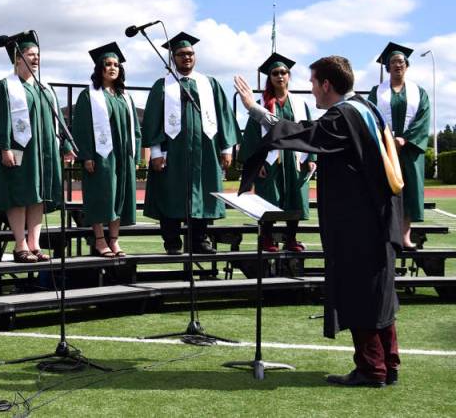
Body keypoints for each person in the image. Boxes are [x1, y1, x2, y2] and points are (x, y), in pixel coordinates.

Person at [235, 56, 403, 388]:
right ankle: (389, 362)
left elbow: (303, 133)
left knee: (361, 292)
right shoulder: (367, 108)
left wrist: (254, 109)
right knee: (379, 292)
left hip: (358, 225)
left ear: (326, 84)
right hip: (378, 218)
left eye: (313, 82)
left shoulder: (344, 116)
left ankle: (372, 368)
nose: (310, 88)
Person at [141, 32, 238, 255]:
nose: (187, 57)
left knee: (202, 192)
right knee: (170, 193)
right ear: (173, 58)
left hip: (204, 150)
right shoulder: (163, 85)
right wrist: (155, 151)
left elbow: (223, 115)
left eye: (190, 53)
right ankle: (172, 242)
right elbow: (153, 120)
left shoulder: (209, 83)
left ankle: (199, 240)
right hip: (172, 151)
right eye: (181, 54)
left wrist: (226, 148)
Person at [0, 33, 74, 263]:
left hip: (43, 151)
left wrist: (66, 144)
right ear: (18, 58)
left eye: (38, 55)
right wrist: (4, 148)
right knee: (18, 195)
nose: (36, 59)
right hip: (18, 150)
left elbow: (58, 121)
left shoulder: (45, 88)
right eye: (30, 55)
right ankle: (20, 245)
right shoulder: (5, 86)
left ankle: (35, 244)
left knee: (38, 195)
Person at [238, 53, 316, 252]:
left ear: (289, 75)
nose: (280, 76)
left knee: (295, 198)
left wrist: (312, 157)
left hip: (295, 158)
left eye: (283, 72)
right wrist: (257, 164)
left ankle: (291, 238)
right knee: (268, 199)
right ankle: (266, 238)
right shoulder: (260, 104)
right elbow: (252, 136)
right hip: (271, 159)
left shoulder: (300, 103)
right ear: (270, 77)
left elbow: (309, 132)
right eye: (275, 73)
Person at [72, 42, 140, 257]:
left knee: (119, 196)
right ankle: (100, 240)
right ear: (99, 68)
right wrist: (86, 156)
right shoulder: (88, 95)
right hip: (101, 155)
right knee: (100, 195)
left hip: (123, 155)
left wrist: (135, 155)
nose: (112, 68)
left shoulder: (124, 97)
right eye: (108, 64)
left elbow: (135, 130)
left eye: (116, 65)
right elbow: (81, 128)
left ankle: (114, 240)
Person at [367, 42, 430, 251]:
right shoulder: (377, 92)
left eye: (401, 61)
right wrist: (386, 140)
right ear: (387, 67)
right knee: (384, 189)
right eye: (393, 62)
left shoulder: (419, 92)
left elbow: (423, 118)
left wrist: (405, 139)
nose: (397, 65)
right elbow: (370, 117)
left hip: (410, 150)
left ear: (407, 65)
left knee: (409, 191)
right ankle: (385, 234)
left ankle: (404, 236)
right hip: (385, 149)